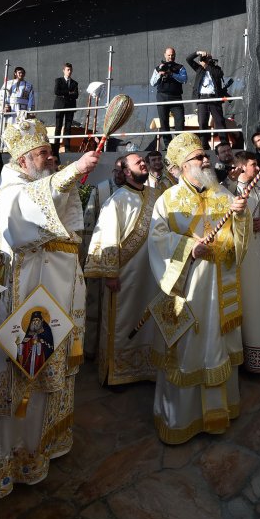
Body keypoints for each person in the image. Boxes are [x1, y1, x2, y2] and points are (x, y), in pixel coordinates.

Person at [0, 117, 99, 498]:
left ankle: (38, 450)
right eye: (43, 153)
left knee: (47, 378)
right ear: (25, 158)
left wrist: (70, 177)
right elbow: (26, 218)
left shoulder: (39, 181)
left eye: (50, 151)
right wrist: (74, 171)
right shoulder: (13, 188)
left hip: (54, 298)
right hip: (22, 300)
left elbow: (66, 225)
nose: (50, 158)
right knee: (17, 377)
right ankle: (5, 464)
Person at [148, 132, 250, 443]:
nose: (205, 160)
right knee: (188, 350)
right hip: (190, 289)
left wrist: (242, 216)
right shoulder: (168, 199)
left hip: (220, 288)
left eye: (205, 155)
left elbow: (239, 241)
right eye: (198, 157)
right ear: (181, 166)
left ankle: (220, 414)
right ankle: (181, 420)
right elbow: (157, 239)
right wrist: (188, 247)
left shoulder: (222, 195)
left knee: (217, 346)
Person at [85, 153, 160, 387]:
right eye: (138, 162)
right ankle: (118, 373)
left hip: (153, 273)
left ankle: (148, 368)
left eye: (143, 161)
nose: (143, 164)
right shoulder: (116, 200)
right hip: (125, 276)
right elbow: (107, 237)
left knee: (150, 320)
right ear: (127, 172)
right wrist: (110, 273)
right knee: (122, 321)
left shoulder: (156, 196)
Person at [81, 157, 126, 358]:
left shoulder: (139, 192)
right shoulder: (100, 190)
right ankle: (93, 347)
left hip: (126, 258)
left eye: (123, 169)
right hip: (102, 253)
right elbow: (89, 225)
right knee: (95, 303)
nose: (120, 173)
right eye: (117, 169)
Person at [233, 150, 260, 373]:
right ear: (241, 167)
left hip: (255, 255)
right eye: (253, 164)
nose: (257, 168)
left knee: (255, 302)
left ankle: (255, 359)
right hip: (235, 256)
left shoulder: (259, 190)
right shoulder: (227, 191)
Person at [186, 51, 226, 150]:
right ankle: (204, 146)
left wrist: (207, 65)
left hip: (214, 98)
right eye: (203, 59)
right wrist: (197, 52)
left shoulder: (216, 69)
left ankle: (224, 144)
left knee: (219, 121)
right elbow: (188, 59)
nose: (204, 60)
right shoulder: (199, 69)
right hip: (202, 98)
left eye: (207, 58)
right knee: (202, 122)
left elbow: (219, 74)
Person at [150, 47, 187, 149]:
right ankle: (168, 146)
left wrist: (172, 74)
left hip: (176, 97)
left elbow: (184, 79)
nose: (170, 57)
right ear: (165, 55)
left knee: (180, 121)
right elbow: (152, 83)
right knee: (164, 122)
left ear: (175, 55)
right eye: (169, 55)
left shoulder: (180, 67)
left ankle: (179, 145)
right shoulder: (158, 68)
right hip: (162, 97)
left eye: (172, 55)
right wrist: (159, 74)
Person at [53, 63, 79, 153]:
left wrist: (66, 93)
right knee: (58, 126)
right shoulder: (59, 80)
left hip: (70, 106)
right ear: (63, 70)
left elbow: (76, 95)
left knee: (68, 127)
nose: (69, 72)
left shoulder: (74, 83)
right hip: (60, 106)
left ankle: (67, 148)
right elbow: (57, 91)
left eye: (70, 70)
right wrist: (69, 92)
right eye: (68, 70)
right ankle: (55, 148)